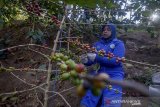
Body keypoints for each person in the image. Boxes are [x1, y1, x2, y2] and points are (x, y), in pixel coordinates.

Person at [80, 23, 125, 107]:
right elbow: (92, 60)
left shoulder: (119, 44)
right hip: (99, 74)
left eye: (108, 30)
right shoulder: (97, 44)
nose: (105, 31)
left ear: (113, 31)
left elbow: (116, 61)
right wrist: (86, 60)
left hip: (114, 75)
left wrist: (96, 57)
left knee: (111, 100)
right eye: (104, 30)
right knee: (89, 99)